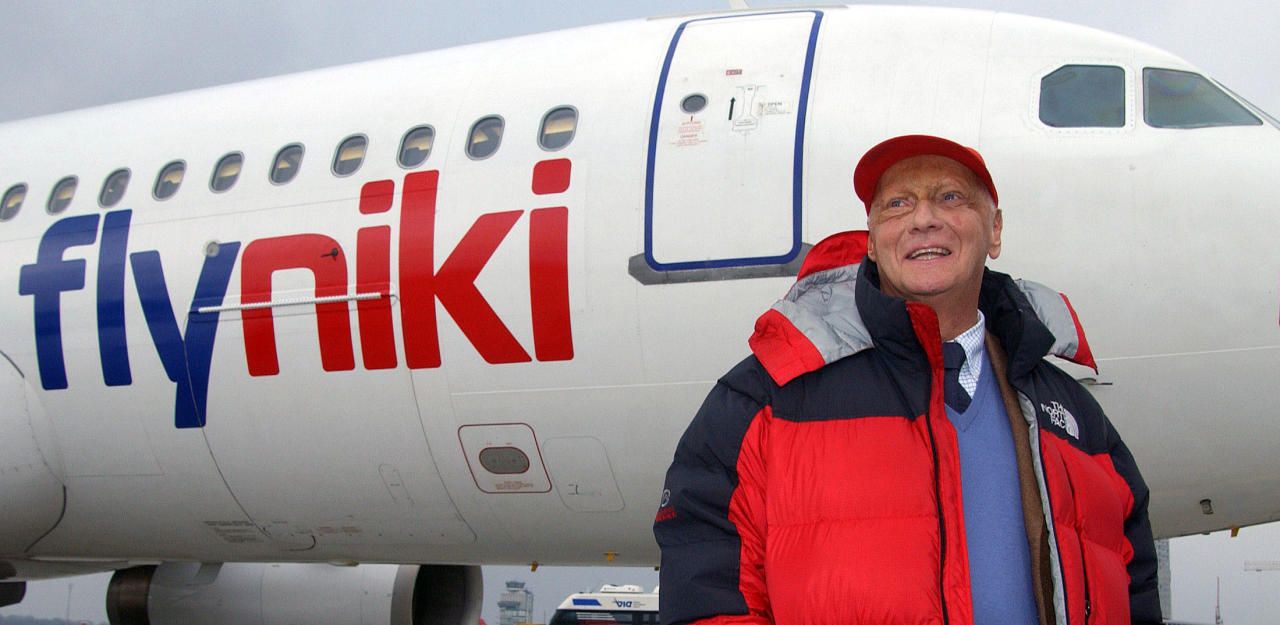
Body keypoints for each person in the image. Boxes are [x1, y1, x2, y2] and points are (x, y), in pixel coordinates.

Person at [653, 135, 1160, 625]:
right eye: (897, 204)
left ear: (995, 230)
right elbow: (707, 586)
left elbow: (1130, 584)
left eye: (951, 197)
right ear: (873, 242)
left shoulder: (1076, 416)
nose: (923, 219)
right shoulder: (764, 398)